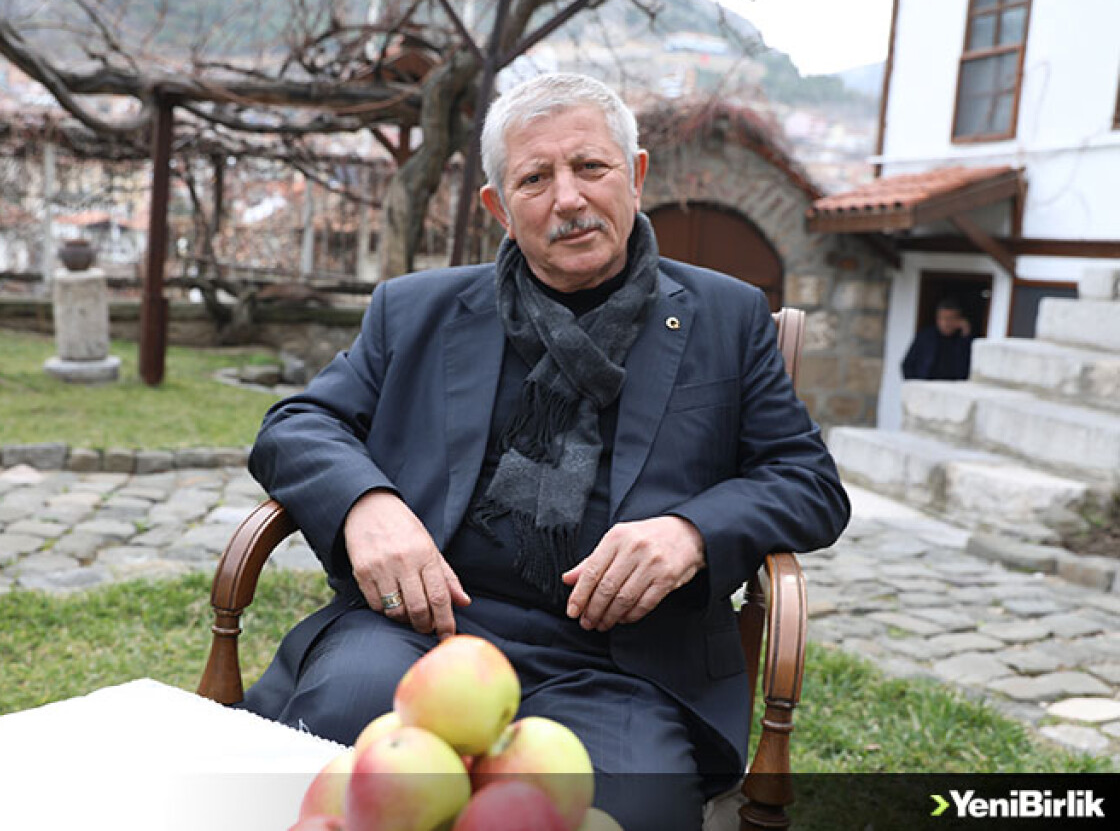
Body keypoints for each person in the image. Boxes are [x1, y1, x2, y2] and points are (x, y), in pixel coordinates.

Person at [240, 73, 849, 830]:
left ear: (635, 175)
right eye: (535, 178)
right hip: (421, 628)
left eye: (590, 167)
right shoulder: (417, 309)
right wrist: (369, 505)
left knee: (626, 812)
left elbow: (807, 480)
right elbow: (296, 423)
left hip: (622, 664)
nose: (568, 198)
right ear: (499, 206)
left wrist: (690, 531)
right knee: (334, 742)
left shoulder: (727, 317)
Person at [901, 296, 974, 380]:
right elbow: (907, 364)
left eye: (950, 319)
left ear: (959, 320)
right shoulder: (926, 336)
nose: (945, 323)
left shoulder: (965, 340)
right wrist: (915, 385)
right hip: (926, 387)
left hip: (952, 389)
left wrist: (965, 335)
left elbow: (968, 368)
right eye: (941, 318)